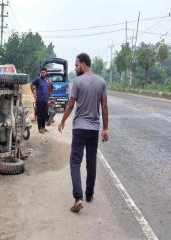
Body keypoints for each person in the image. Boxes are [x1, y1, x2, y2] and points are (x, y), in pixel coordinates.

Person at [58, 53, 108, 213]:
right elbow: (104, 107)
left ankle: (78, 198)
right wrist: (105, 128)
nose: (76, 68)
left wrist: (63, 120)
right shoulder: (101, 82)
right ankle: (89, 194)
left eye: (77, 65)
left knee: (75, 162)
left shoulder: (78, 82)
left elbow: (70, 105)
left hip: (80, 128)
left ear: (84, 64)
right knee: (91, 162)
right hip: (94, 129)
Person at [30, 67, 53, 133]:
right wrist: (34, 94)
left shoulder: (47, 80)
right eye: (42, 72)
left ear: (46, 73)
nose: (43, 73)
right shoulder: (38, 79)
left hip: (46, 100)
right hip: (39, 100)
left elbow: (50, 88)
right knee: (39, 114)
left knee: (45, 114)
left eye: (44, 72)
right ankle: (39, 128)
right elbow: (31, 84)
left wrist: (49, 97)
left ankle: (43, 127)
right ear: (41, 73)